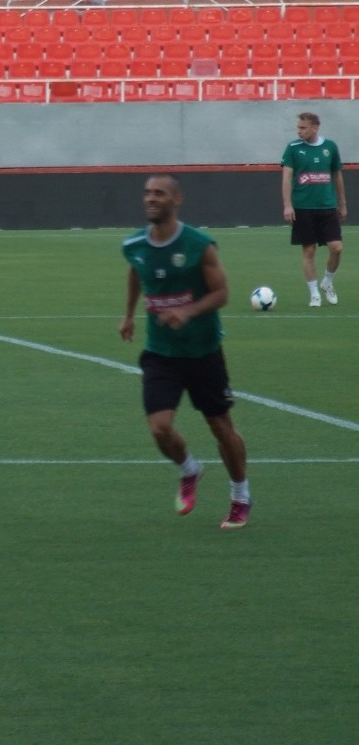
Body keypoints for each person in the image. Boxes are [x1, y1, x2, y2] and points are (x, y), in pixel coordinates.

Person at [119, 173, 252, 529]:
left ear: (176, 200)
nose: (151, 199)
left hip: (203, 352)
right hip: (161, 353)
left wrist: (188, 311)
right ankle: (189, 470)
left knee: (221, 428)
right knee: (160, 428)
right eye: (147, 193)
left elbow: (222, 293)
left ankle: (241, 495)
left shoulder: (199, 244)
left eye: (159, 193)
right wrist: (129, 315)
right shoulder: (134, 244)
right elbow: (137, 272)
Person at [280, 111, 347, 308]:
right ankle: (314, 294)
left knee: (337, 247)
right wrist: (287, 204)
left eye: (303, 127)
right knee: (309, 251)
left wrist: (342, 203)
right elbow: (286, 178)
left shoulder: (330, 147)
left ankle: (327, 282)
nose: (299, 131)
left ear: (315, 128)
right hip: (303, 207)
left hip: (327, 206)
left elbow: (337, 176)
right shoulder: (293, 148)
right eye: (298, 127)